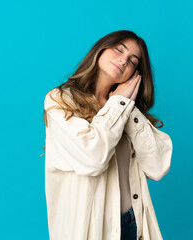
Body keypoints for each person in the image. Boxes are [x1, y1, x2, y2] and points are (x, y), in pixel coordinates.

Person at [43, 30, 173, 240]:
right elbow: (93, 159)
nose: (124, 60)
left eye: (133, 61)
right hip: (91, 228)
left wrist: (126, 106)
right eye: (119, 49)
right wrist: (118, 103)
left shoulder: (128, 112)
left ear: (136, 74)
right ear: (99, 51)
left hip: (132, 224)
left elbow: (159, 166)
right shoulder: (60, 101)